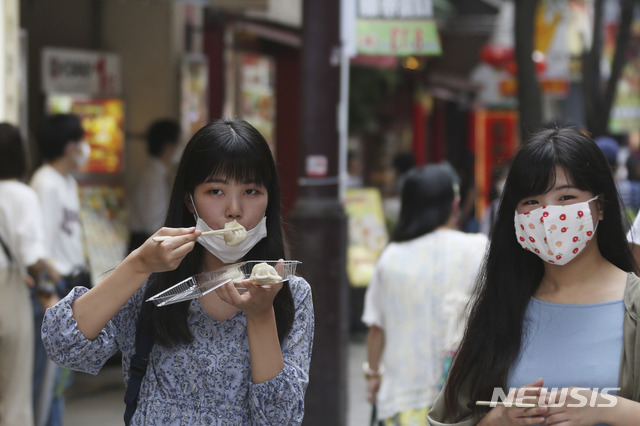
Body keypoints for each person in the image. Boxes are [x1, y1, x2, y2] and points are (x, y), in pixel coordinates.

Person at [41, 119, 315, 424]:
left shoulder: (291, 292)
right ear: (189, 200)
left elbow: (282, 418)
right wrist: (138, 265)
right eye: (215, 191)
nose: (234, 209)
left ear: (269, 200)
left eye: (251, 191)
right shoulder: (148, 283)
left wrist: (261, 315)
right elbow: (64, 346)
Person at [428, 126, 640, 425]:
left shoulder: (635, 306)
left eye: (566, 198)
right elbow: (449, 416)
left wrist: (608, 409)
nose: (547, 214)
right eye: (531, 202)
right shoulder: (500, 305)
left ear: (600, 206)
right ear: (515, 216)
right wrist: (499, 418)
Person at [362, 163, 488, 425]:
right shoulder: (478, 248)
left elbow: (377, 328)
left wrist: (373, 376)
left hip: (404, 400)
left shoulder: (391, 257)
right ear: (454, 205)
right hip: (463, 403)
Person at [30, 113, 90, 426]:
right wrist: (47, 291)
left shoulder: (66, 182)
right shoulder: (46, 183)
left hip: (70, 282)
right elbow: (41, 247)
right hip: (53, 288)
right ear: (70, 146)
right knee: (48, 378)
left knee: (60, 377)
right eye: (82, 141)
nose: (86, 148)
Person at [0, 123, 59, 426]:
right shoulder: (21, 195)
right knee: (14, 388)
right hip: (7, 290)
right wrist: (50, 282)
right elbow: (31, 256)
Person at [128, 119, 181, 252]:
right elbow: (153, 223)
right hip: (146, 243)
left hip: (146, 240)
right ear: (168, 146)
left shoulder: (156, 173)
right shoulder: (153, 177)